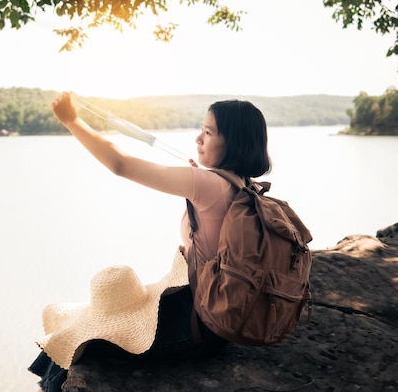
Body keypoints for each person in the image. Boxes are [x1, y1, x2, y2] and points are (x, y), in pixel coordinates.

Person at [29, 92, 271, 392]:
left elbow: (120, 164)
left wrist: (72, 121)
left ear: (234, 142)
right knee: (81, 331)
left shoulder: (208, 184)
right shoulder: (244, 186)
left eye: (208, 133)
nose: (198, 138)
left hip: (196, 323)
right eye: (201, 129)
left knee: (74, 342)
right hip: (216, 319)